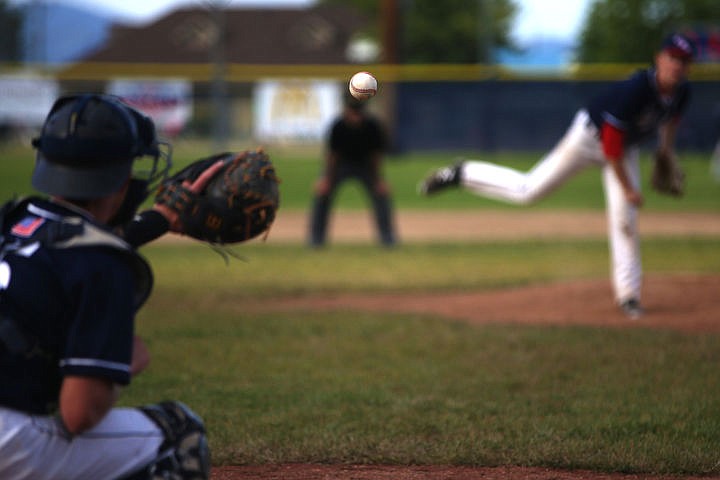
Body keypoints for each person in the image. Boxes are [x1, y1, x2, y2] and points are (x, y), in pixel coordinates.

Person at [0, 93, 222, 479]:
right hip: (8, 440)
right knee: (179, 434)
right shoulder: (106, 265)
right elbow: (78, 413)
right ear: (120, 176)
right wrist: (121, 370)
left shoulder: (12, 222)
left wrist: (160, 220)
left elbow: (64, 246)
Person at [417, 33, 696, 320]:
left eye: (684, 61)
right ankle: (463, 172)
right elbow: (610, 143)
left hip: (624, 149)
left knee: (625, 220)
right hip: (589, 139)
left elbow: (670, 121)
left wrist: (665, 151)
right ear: (659, 58)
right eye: (673, 58)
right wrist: (628, 189)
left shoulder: (682, 92)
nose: (677, 65)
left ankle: (629, 296)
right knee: (528, 190)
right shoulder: (638, 88)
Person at [308, 93, 397, 247]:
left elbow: (375, 156)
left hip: (365, 166)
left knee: (381, 195)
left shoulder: (372, 126)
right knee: (322, 195)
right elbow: (332, 156)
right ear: (346, 111)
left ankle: (387, 239)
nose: (355, 117)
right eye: (352, 112)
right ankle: (316, 240)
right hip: (341, 165)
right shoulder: (338, 126)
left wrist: (378, 180)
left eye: (358, 113)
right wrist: (326, 180)